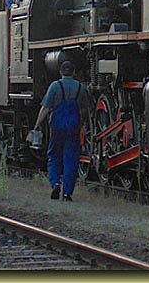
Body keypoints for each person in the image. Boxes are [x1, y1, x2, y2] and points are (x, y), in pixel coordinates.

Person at [33, 61, 90, 202]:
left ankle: (55, 183)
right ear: (74, 72)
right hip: (73, 127)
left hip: (57, 127)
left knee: (54, 156)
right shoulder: (80, 88)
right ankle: (67, 194)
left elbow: (45, 108)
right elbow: (84, 110)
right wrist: (81, 124)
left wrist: (37, 125)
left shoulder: (55, 86)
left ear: (60, 72)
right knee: (71, 160)